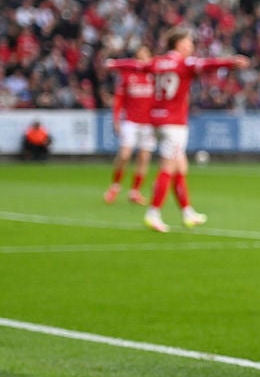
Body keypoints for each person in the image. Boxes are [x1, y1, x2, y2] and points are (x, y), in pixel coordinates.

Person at [107, 27, 249, 232]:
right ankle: (153, 213)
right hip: (174, 123)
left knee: (181, 167)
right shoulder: (184, 62)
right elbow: (208, 64)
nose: (191, 46)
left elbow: (136, 66)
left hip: (155, 120)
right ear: (180, 44)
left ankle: (187, 212)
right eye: (188, 43)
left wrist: (114, 64)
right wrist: (232, 62)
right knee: (168, 167)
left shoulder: (157, 62)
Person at [105, 45, 155, 205]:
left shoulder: (154, 75)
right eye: (140, 56)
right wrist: (116, 119)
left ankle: (135, 191)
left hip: (149, 123)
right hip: (131, 121)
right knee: (125, 154)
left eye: (146, 55)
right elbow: (119, 100)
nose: (143, 59)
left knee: (144, 157)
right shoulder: (127, 75)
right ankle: (115, 186)